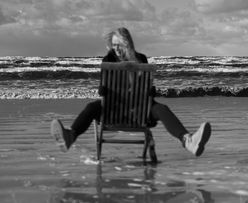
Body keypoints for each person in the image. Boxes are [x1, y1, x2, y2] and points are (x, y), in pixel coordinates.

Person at [51, 27, 211, 157]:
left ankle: (188, 140)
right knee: (91, 107)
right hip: (121, 112)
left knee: (162, 109)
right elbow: (109, 90)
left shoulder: (124, 60)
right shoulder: (122, 59)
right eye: (114, 45)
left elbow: (138, 91)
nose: (116, 49)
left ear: (128, 44)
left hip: (135, 113)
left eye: (120, 45)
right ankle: (70, 136)